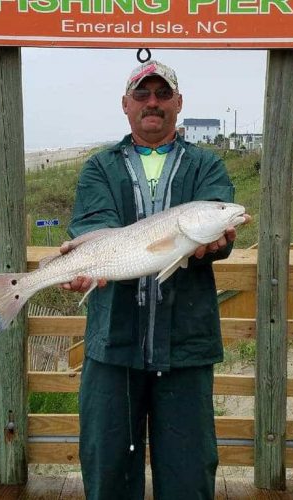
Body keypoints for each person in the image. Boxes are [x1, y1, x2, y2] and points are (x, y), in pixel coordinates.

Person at [60, 60, 247, 500]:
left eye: (163, 94)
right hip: (113, 345)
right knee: (108, 470)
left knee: (188, 471)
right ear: (125, 105)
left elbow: (223, 225)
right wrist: (87, 265)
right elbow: (95, 224)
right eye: (142, 95)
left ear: (178, 104)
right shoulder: (99, 168)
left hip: (186, 345)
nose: (153, 103)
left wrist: (216, 242)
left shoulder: (207, 165)